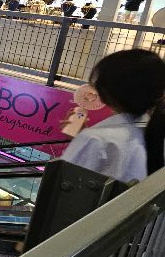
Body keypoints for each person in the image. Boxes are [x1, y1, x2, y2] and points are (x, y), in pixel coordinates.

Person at [60, 49, 165, 183]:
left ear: (104, 94)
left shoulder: (96, 139)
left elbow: (62, 186)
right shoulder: (153, 132)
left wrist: (83, 141)